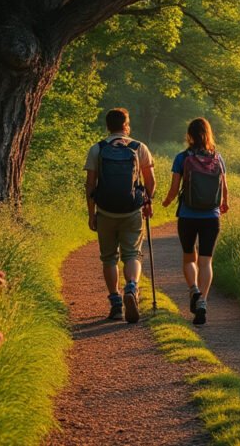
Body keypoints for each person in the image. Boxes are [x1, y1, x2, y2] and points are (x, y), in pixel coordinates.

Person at [85, 108, 156, 323]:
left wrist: (92, 213)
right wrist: (147, 201)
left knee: (109, 257)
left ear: (108, 126)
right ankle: (131, 287)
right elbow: (150, 180)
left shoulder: (97, 149)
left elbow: (90, 184)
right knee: (132, 254)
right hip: (131, 209)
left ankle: (116, 303)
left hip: (105, 210)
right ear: (127, 124)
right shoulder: (138, 147)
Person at [161, 118, 229, 325]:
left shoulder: (182, 158)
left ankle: (194, 290)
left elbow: (174, 189)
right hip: (211, 216)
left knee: (189, 257)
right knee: (206, 260)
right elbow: (224, 188)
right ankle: (203, 302)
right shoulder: (217, 157)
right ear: (209, 134)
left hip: (188, 215)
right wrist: (224, 204)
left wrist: (166, 202)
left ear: (189, 135)